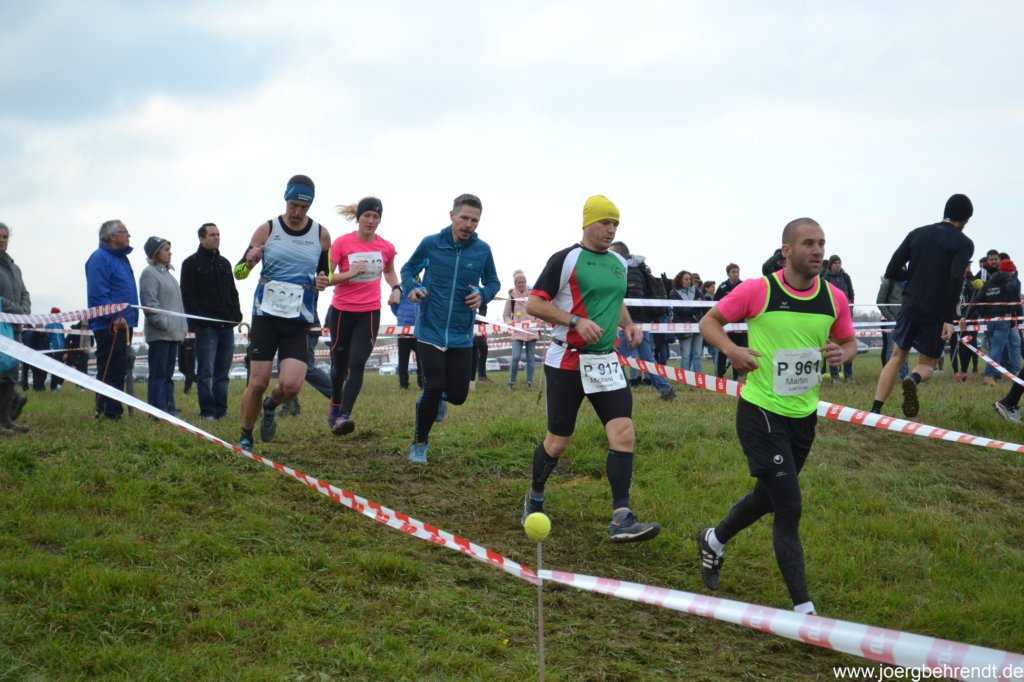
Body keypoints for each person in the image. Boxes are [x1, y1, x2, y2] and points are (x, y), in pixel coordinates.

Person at [697, 217, 856, 614]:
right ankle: (804, 610)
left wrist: (843, 353)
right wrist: (732, 350)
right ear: (786, 250)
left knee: (767, 497)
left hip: (803, 416)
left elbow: (849, 341)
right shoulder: (759, 290)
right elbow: (709, 322)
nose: (817, 251)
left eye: (821, 243)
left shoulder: (834, 297)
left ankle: (713, 539)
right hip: (761, 411)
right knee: (789, 507)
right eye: (808, 243)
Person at [520, 195, 661, 542]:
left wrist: (629, 324)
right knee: (558, 442)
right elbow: (534, 304)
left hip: (605, 362)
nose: (611, 230)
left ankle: (621, 517)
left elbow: (615, 300)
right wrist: (575, 321)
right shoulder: (566, 259)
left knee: (623, 432)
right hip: (567, 360)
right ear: (587, 223)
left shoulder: (618, 262)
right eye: (605, 223)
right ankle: (535, 494)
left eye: (615, 224)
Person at [399, 193, 500, 464]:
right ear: (452, 215)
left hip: (461, 332)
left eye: (475, 220)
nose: (469, 224)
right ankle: (420, 443)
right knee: (433, 386)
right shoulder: (431, 244)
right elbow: (408, 269)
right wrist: (412, 287)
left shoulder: (482, 250)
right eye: (464, 218)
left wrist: (483, 294)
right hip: (429, 329)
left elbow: (493, 282)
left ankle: (438, 399)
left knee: (458, 395)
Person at [233, 175, 331, 451]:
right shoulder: (267, 229)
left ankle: (270, 405)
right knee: (258, 382)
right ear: (285, 199)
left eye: (304, 207)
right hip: (266, 317)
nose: (297, 212)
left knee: (291, 386)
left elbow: (326, 274)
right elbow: (239, 273)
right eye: (293, 205)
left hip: (298, 320)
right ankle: (245, 434)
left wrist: (323, 281)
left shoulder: (321, 234)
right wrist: (249, 262)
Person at [871, 194, 974, 417]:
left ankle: (875, 409)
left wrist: (913, 276)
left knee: (896, 357)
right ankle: (913, 378)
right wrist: (949, 318)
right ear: (966, 219)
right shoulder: (964, 243)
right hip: (936, 311)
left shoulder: (917, 233)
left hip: (910, 305)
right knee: (928, 364)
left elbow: (891, 270)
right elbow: (956, 278)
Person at [324, 197, 400, 436]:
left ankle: (344, 416)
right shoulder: (342, 243)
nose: (370, 220)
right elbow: (326, 277)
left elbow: (389, 271)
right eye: (366, 215)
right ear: (358, 218)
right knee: (338, 367)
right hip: (341, 312)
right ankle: (335, 402)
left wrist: (396, 288)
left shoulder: (386, 247)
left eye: (375, 216)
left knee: (357, 363)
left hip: (369, 312)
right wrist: (350, 273)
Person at [181, 223, 243, 421]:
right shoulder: (191, 263)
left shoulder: (224, 263)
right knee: (206, 372)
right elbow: (188, 296)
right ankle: (207, 411)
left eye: (218, 234)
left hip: (226, 327)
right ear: (202, 239)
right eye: (212, 235)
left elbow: (232, 291)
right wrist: (202, 319)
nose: (216, 238)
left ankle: (221, 410)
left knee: (222, 372)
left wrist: (236, 314)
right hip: (206, 328)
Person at [86, 219, 140, 420]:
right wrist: (115, 316)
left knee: (120, 368)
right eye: (125, 232)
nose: (129, 235)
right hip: (109, 324)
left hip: (125, 323)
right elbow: (98, 294)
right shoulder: (99, 258)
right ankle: (106, 411)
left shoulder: (122, 259)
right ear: (111, 236)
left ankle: (114, 409)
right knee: (109, 368)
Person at [608, 241, 676, 401]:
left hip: (632, 321)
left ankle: (612, 391)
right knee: (646, 358)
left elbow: (633, 299)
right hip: (637, 321)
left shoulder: (630, 271)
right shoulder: (633, 269)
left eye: (611, 252)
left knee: (614, 355)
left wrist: (625, 321)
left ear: (619, 254)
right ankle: (666, 390)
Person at [139, 237, 189, 414]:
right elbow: (149, 303)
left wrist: (180, 327)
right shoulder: (149, 274)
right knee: (158, 374)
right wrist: (164, 323)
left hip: (172, 334)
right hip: (160, 334)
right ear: (156, 253)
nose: (170, 253)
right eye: (166, 249)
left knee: (167, 374)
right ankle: (157, 409)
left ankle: (169, 406)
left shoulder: (169, 275)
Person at [0, 222, 32, 435]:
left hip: (15, 329)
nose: (2, 240)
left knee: (10, 375)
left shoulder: (14, 267)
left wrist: (24, 309)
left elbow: (24, 293)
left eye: (5, 237)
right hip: (1, 328)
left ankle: (6, 419)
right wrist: (17, 309)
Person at [969, 258, 1021, 386]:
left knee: (1001, 348)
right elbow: (1015, 300)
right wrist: (1009, 312)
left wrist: (981, 313)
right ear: (1009, 271)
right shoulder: (1010, 281)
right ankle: (989, 375)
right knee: (997, 348)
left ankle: (1005, 372)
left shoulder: (988, 282)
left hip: (989, 320)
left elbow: (977, 300)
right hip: (1003, 320)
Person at [503, 269, 539, 390]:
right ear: (515, 284)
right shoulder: (511, 297)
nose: (521, 284)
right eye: (519, 282)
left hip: (531, 331)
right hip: (517, 332)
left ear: (526, 282)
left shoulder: (533, 296)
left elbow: (539, 311)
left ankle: (530, 383)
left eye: (523, 281)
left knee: (531, 358)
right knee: (515, 357)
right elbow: (506, 315)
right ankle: (511, 382)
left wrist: (537, 322)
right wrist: (511, 324)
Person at [822, 255, 856, 383]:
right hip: (831, 316)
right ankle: (834, 376)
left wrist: (850, 308)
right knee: (832, 347)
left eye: (839, 263)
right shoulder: (825, 278)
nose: (837, 265)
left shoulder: (846, 277)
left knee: (847, 345)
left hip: (844, 317)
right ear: (830, 265)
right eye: (835, 263)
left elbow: (851, 294)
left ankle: (848, 375)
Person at [714, 263, 747, 379]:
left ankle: (736, 376)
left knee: (738, 349)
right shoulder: (723, 287)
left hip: (740, 323)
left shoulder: (743, 285)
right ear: (728, 274)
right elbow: (715, 302)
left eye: (737, 272)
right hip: (726, 322)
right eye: (733, 272)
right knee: (723, 350)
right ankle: (719, 376)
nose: (736, 274)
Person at [876, 272, 910, 381]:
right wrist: (889, 316)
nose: (903, 269)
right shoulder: (888, 282)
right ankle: (889, 376)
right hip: (891, 321)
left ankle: (904, 375)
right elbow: (880, 301)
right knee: (891, 349)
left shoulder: (908, 281)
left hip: (905, 319)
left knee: (904, 348)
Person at [669, 270, 703, 373]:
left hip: (698, 325)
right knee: (686, 355)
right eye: (686, 279)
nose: (689, 281)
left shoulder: (695, 289)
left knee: (697, 355)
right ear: (680, 280)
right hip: (684, 326)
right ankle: (684, 378)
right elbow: (681, 311)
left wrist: (693, 306)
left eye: (689, 279)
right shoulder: (674, 293)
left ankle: (698, 377)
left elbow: (703, 301)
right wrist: (695, 305)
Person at [390, 281, 422, 390]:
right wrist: (402, 317)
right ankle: (403, 384)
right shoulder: (399, 288)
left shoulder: (422, 288)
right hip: (403, 329)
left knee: (421, 359)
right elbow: (394, 306)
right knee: (403, 359)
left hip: (419, 329)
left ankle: (422, 383)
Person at [44, 307, 68, 392]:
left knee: (61, 370)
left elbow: (63, 338)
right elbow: (47, 339)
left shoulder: (61, 326)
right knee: (55, 370)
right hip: (54, 351)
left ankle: (57, 387)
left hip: (61, 350)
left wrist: (65, 351)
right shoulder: (48, 326)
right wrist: (51, 350)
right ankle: (53, 388)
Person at [471, 301, 491, 387]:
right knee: (473, 356)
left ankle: (482, 375)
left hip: (480, 334)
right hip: (472, 335)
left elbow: (482, 315)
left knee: (483, 351)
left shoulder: (480, 305)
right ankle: (472, 379)